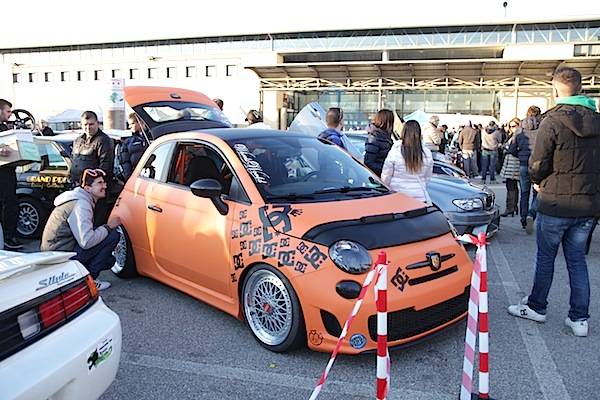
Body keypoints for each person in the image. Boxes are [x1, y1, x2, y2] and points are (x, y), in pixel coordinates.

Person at [508, 66, 600, 337]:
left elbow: (538, 162)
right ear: (580, 88)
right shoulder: (597, 120)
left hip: (555, 202)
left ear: (555, 89)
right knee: (577, 261)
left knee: (546, 257)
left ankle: (537, 306)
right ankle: (579, 318)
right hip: (587, 206)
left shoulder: (553, 120)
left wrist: (537, 180)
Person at [40, 168, 122, 290]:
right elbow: (86, 242)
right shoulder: (81, 205)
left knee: (108, 255)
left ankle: (82, 277)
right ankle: (89, 281)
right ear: (88, 188)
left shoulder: (80, 199)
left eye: (104, 182)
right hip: (59, 257)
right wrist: (109, 227)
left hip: (55, 252)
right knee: (112, 237)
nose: (104, 186)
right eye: (99, 183)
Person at [71, 111, 114, 225]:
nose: (88, 127)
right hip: (78, 188)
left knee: (95, 222)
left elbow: (105, 167)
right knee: (80, 222)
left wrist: (93, 186)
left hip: (94, 191)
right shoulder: (78, 141)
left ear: (97, 123)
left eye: (91, 124)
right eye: (85, 125)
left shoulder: (103, 140)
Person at [381, 120, 433, 203]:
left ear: (404, 132)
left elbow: (386, 175)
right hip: (419, 197)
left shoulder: (395, 151)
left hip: (398, 196)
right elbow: (427, 177)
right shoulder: (427, 153)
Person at [509, 106, 540, 232]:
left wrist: (521, 155)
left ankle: (523, 218)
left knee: (524, 193)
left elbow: (511, 149)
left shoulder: (519, 130)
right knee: (537, 193)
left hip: (523, 164)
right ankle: (531, 214)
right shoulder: (542, 129)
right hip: (538, 165)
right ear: (538, 115)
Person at [0, 99, 23, 250]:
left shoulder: (5, 127)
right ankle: (6, 237)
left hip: (9, 171)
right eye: (8, 111)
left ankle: (9, 236)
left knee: (11, 204)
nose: (10, 115)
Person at [117, 112, 149, 182]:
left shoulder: (151, 136)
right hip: (135, 176)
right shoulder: (128, 141)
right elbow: (125, 162)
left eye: (132, 124)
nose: (129, 127)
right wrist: (129, 179)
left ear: (140, 122)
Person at [500, 117, 521, 217]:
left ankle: (510, 208)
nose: (512, 128)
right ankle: (513, 207)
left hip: (514, 163)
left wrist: (507, 149)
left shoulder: (518, 136)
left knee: (511, 186)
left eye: (514, 126)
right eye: (510, 126)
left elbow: (514, 149)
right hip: (510, 162)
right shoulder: (512, 135)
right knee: (512, 186)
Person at [364, 109, 394, 177]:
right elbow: (368, 163)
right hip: (377, 178)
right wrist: (386, 168)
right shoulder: (375, 138)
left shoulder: (386, 137)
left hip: (383, 176)